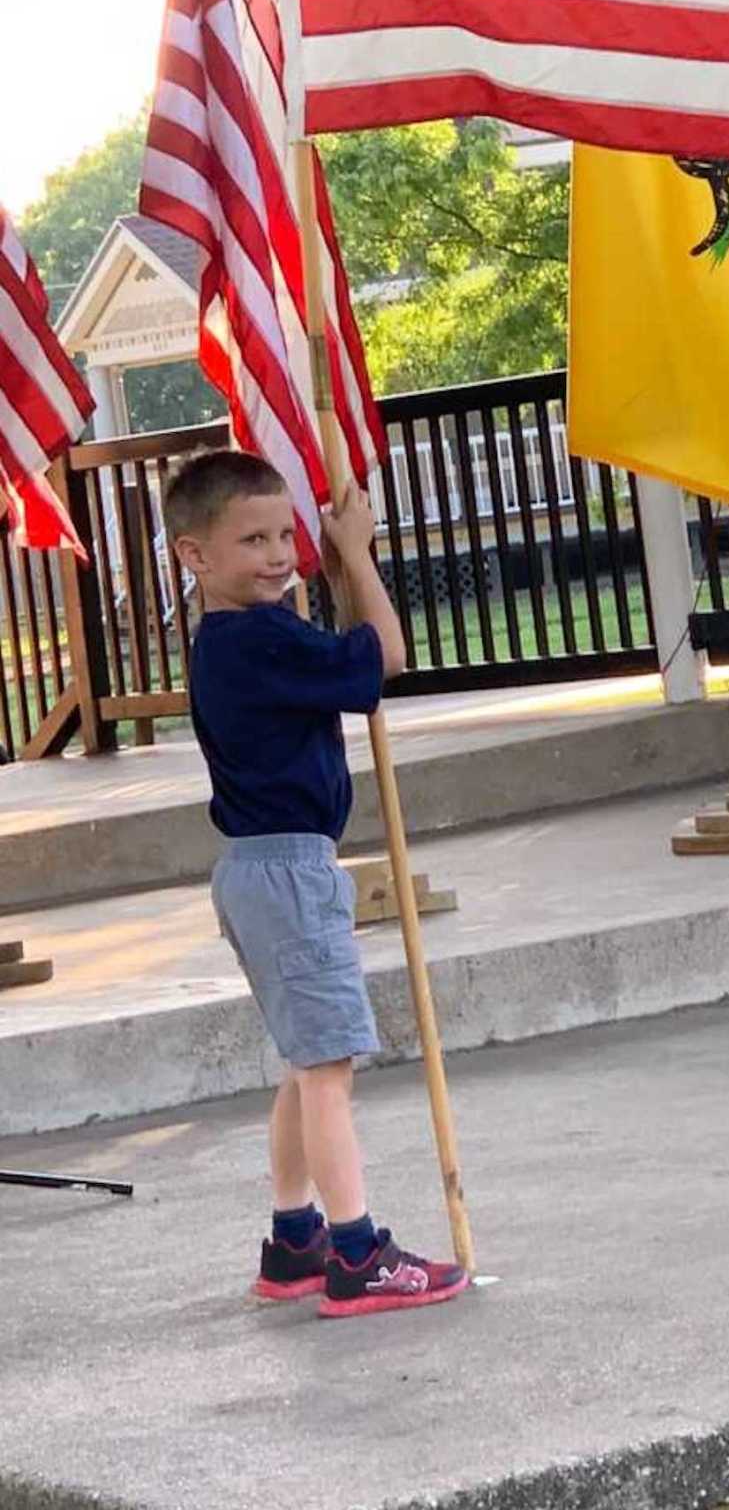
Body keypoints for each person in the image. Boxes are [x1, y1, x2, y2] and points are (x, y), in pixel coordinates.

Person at [164, 450, 470, 1319]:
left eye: (283, 537)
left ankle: (294, 1236)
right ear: (195, 557)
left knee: (307, 1064)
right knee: (328, 1065)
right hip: (288, 873)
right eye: (251, 539)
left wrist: (334, 569)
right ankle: (356, 1250)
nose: (275, 556)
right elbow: (380, 664)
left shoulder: (237, 638)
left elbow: (342, 653)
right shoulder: (257, 637)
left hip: (262, 870)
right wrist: (361, 557)